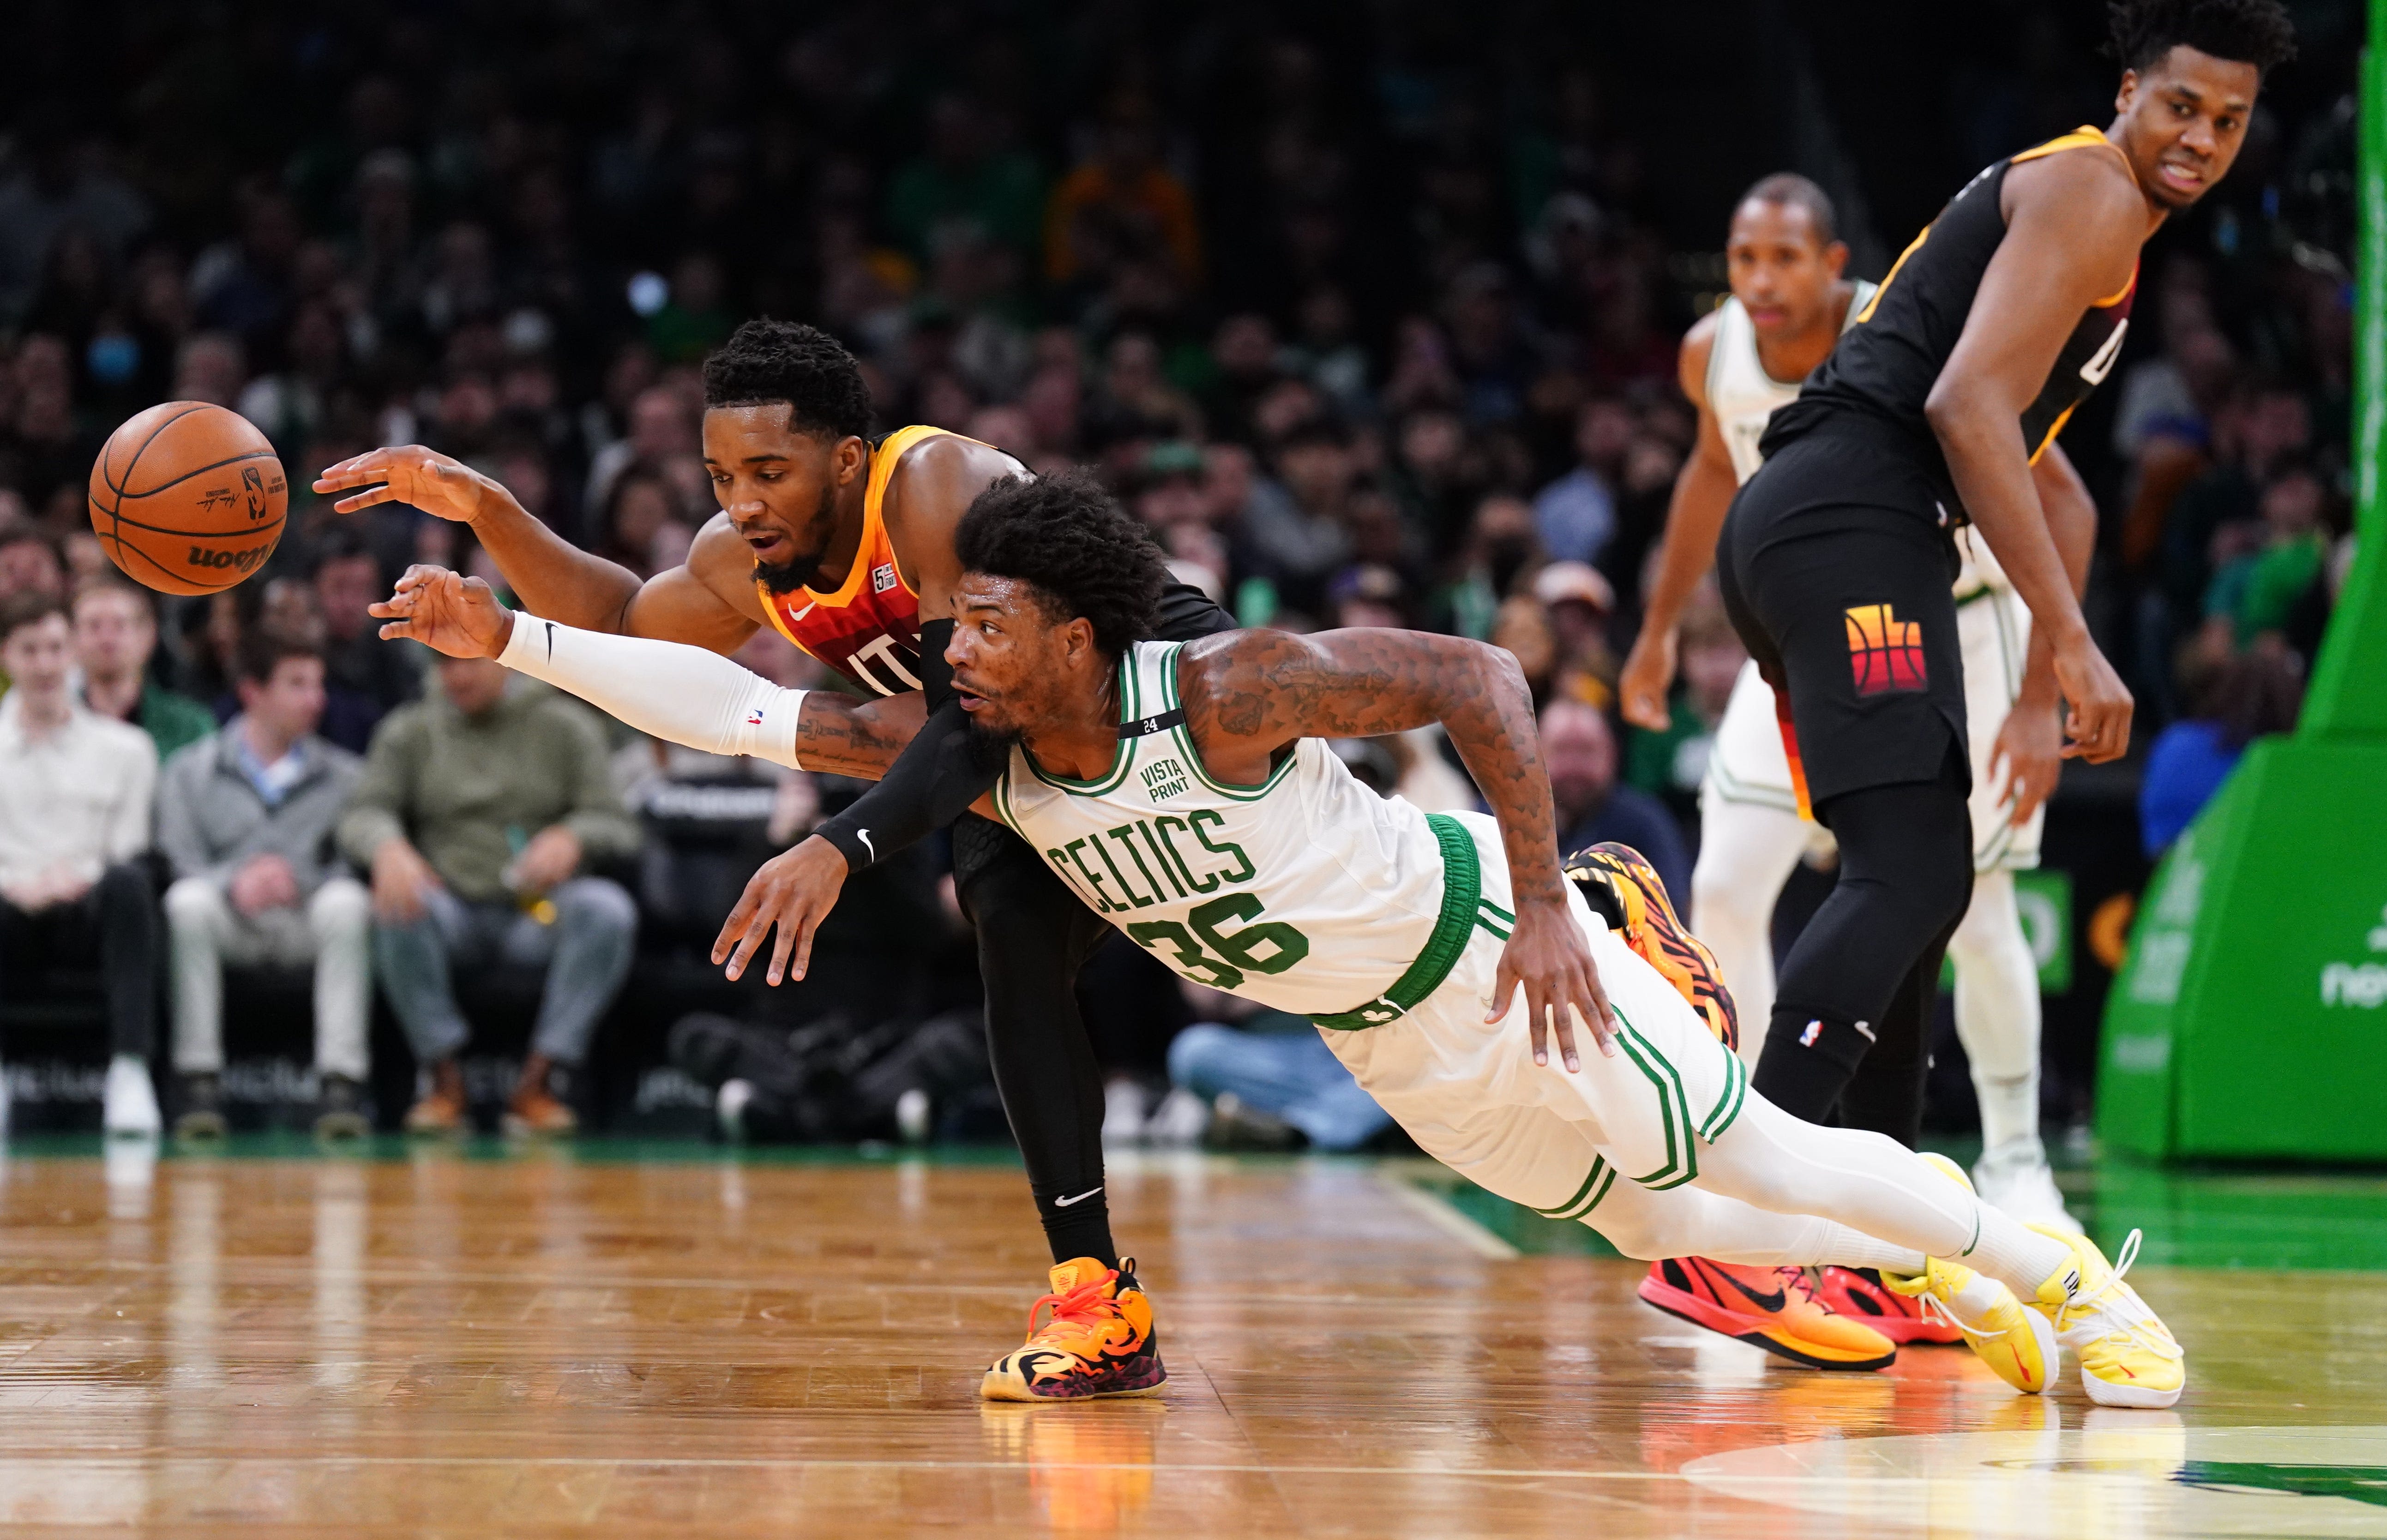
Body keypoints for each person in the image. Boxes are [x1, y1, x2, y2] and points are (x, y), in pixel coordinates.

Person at [373, 472, 2189, 1411]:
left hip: (1490, 942)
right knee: (1664, 1223)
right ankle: (1941, 1278)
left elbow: (1477, 677)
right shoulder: (994, 769)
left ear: (1079, 634)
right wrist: (514, 641)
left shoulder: (1222, 691)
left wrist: (1550, 908)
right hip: (1377, 1033)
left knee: (1743, 1142)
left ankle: (2054, 1275)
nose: (951, 655)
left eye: (985, 623)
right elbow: (728, 711)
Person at [314, 317, 1237, 1392]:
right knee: (1013, 953)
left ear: (845, 460)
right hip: (1009, 746)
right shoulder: (748, 556)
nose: (741, 501)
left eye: (768, 471)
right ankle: (1097, 1297)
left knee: (1334, 971)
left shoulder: (933, 486)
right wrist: (489, 510)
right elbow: (620, 615)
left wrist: (838, 843)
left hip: (1160, 696)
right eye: (719, 475)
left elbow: (976, 715)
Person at [1705, 0, 2291, 1291]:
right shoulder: (2090, 188)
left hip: (1825, 527)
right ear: (2130, 89)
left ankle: (1866, 1252)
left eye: (2229, 122)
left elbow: (2055, 487)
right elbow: (1964, 403)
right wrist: (2075, 647)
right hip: (1853, 517)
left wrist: (2034, 695)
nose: (2200, 138)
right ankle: (1742, 1236)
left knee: (1914, 880)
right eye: (2181, 106)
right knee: (1914, 871)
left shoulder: (2097, 215)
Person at [1614, 171, 2080, 1349]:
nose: (1759, 283)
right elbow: (1707, 479)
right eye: (1740, 258)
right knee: (1732, 883)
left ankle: (2008, 1163)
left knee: (1957, 905)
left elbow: (2060, 492)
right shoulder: (1705, 354)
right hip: (1821, 608)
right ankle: (1774, 1171)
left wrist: (2041, 681)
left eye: (1783, 260)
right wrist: (1660, 627)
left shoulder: (1913, 324)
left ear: (1837, 267)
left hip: (1959, 615)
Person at [333, 649, 641, 1136]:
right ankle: (442, 1082)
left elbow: (618, 824)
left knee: (606, 909)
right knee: (395, 900)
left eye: (469, 661)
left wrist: (574, 835)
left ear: (507, 659)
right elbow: (362, 813)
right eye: (444, 664)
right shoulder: (410, 729)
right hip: (448, 906)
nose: (456, 675)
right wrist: (388, 846)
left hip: (537, 911)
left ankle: (541, 1083)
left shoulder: (565, 726)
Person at [156, 630, 371, 1139]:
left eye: (319, 685)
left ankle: (341, 1084)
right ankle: (197, 1081)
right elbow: (174, 860)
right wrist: (234, 881)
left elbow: (356, 864)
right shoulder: (191, 771)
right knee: (186, 903)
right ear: (252, 691)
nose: (315, 700)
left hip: (306, 916)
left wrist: (302, 878)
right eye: (297, 684)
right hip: (231, 920)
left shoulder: (347, 776)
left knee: (349, 903)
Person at [0, 591, 162, 1135]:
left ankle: (131, 1071)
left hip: (88, 908)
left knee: (130, 884)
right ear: (6, 657)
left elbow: (130, 847)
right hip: (10, 910)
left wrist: (76, 879)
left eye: (54, 648)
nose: (45, 664)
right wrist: (18, 886)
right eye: (29, 650)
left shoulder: (128, 748)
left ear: (72, 653)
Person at [1541, 700, 1688, 903]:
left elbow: (1672, 910)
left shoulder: (1645, 823)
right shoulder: (1501, 819)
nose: (1574, 766)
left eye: (1587, 751)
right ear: (1535, 754)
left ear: (1612, 754)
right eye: (1562, 750)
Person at [70, 578, 216, 761]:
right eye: (94, 626)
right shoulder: (53, 726)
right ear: (72, 638)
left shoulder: (191, 727)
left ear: (148, 635)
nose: (106, 639)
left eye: (119, 625)